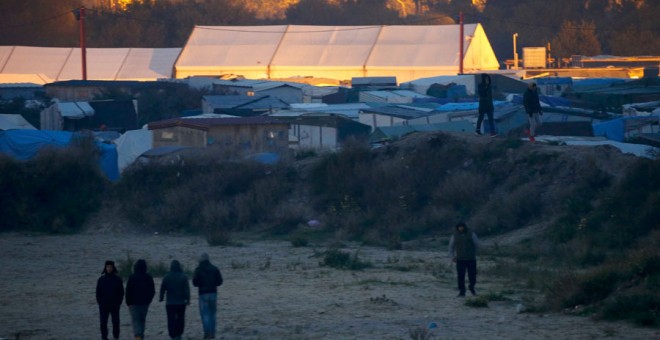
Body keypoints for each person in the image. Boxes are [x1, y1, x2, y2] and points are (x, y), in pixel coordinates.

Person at [193, 253, 224, 339]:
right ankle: (212, 333)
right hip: (213, 293)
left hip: (203, 294)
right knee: (213, 314)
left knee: (205, 314)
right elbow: (220, 281)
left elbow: (195, 283)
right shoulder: (215, 269)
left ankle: (207, 333)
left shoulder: (198, 269)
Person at [448, 222, 481, 297]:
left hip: (471, 259)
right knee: (460, 276)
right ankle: (462, 291)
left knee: (473, 275)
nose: (461, 228)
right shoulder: (454, 236)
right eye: (459, 227)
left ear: (464, 227)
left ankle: (471, 287)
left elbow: (477, 244)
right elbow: (451, 247)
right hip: (460, 259)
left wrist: (476, 253)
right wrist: (452, 257)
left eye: (462, 227)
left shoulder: (471, 234)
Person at [160, 260, 190, 340]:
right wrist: (188, 299)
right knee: (181, 318)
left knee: (170, 319)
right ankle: (179, 333)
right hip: (181, 302)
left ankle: (172, 335)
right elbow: (186, 290)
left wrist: (161, 297)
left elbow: (162, 288)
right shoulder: (183, 276)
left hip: (170, 303)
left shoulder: (167, 276)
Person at [126, 259, 155, 340]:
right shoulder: (148, 277)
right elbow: (152, 291)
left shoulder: (132, 277)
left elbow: (128, 291)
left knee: (136, 321)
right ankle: (141, 336)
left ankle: (138, 337)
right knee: (142, 320)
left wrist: (128, 302)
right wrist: (149, 301)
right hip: (145, 303)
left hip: (133, 304)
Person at [96, 260, 125, 340]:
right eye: (107, 267)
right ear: (105, 268)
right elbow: (97, 293)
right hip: (103, 305)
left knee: (116, 323)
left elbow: (121, 292)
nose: (109, 268)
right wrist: (100, 302)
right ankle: (104, 337)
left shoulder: (118, 279)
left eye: (110, 267)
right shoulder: (101, 280)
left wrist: (119, 302)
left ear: (113, 268)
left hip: (115, 305)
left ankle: (116, 337)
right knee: (103, 323)